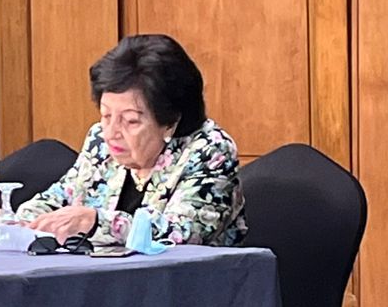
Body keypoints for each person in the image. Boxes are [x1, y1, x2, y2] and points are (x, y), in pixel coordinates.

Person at [15, 33, 246, 247]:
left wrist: (95, 223)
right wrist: (21, 220)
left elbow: (182, 234)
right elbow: (57, 199)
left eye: (130, 121)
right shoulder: (100, 141)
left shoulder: (210, 151)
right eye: (106, 115)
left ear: (170, 121)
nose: (111, 132)